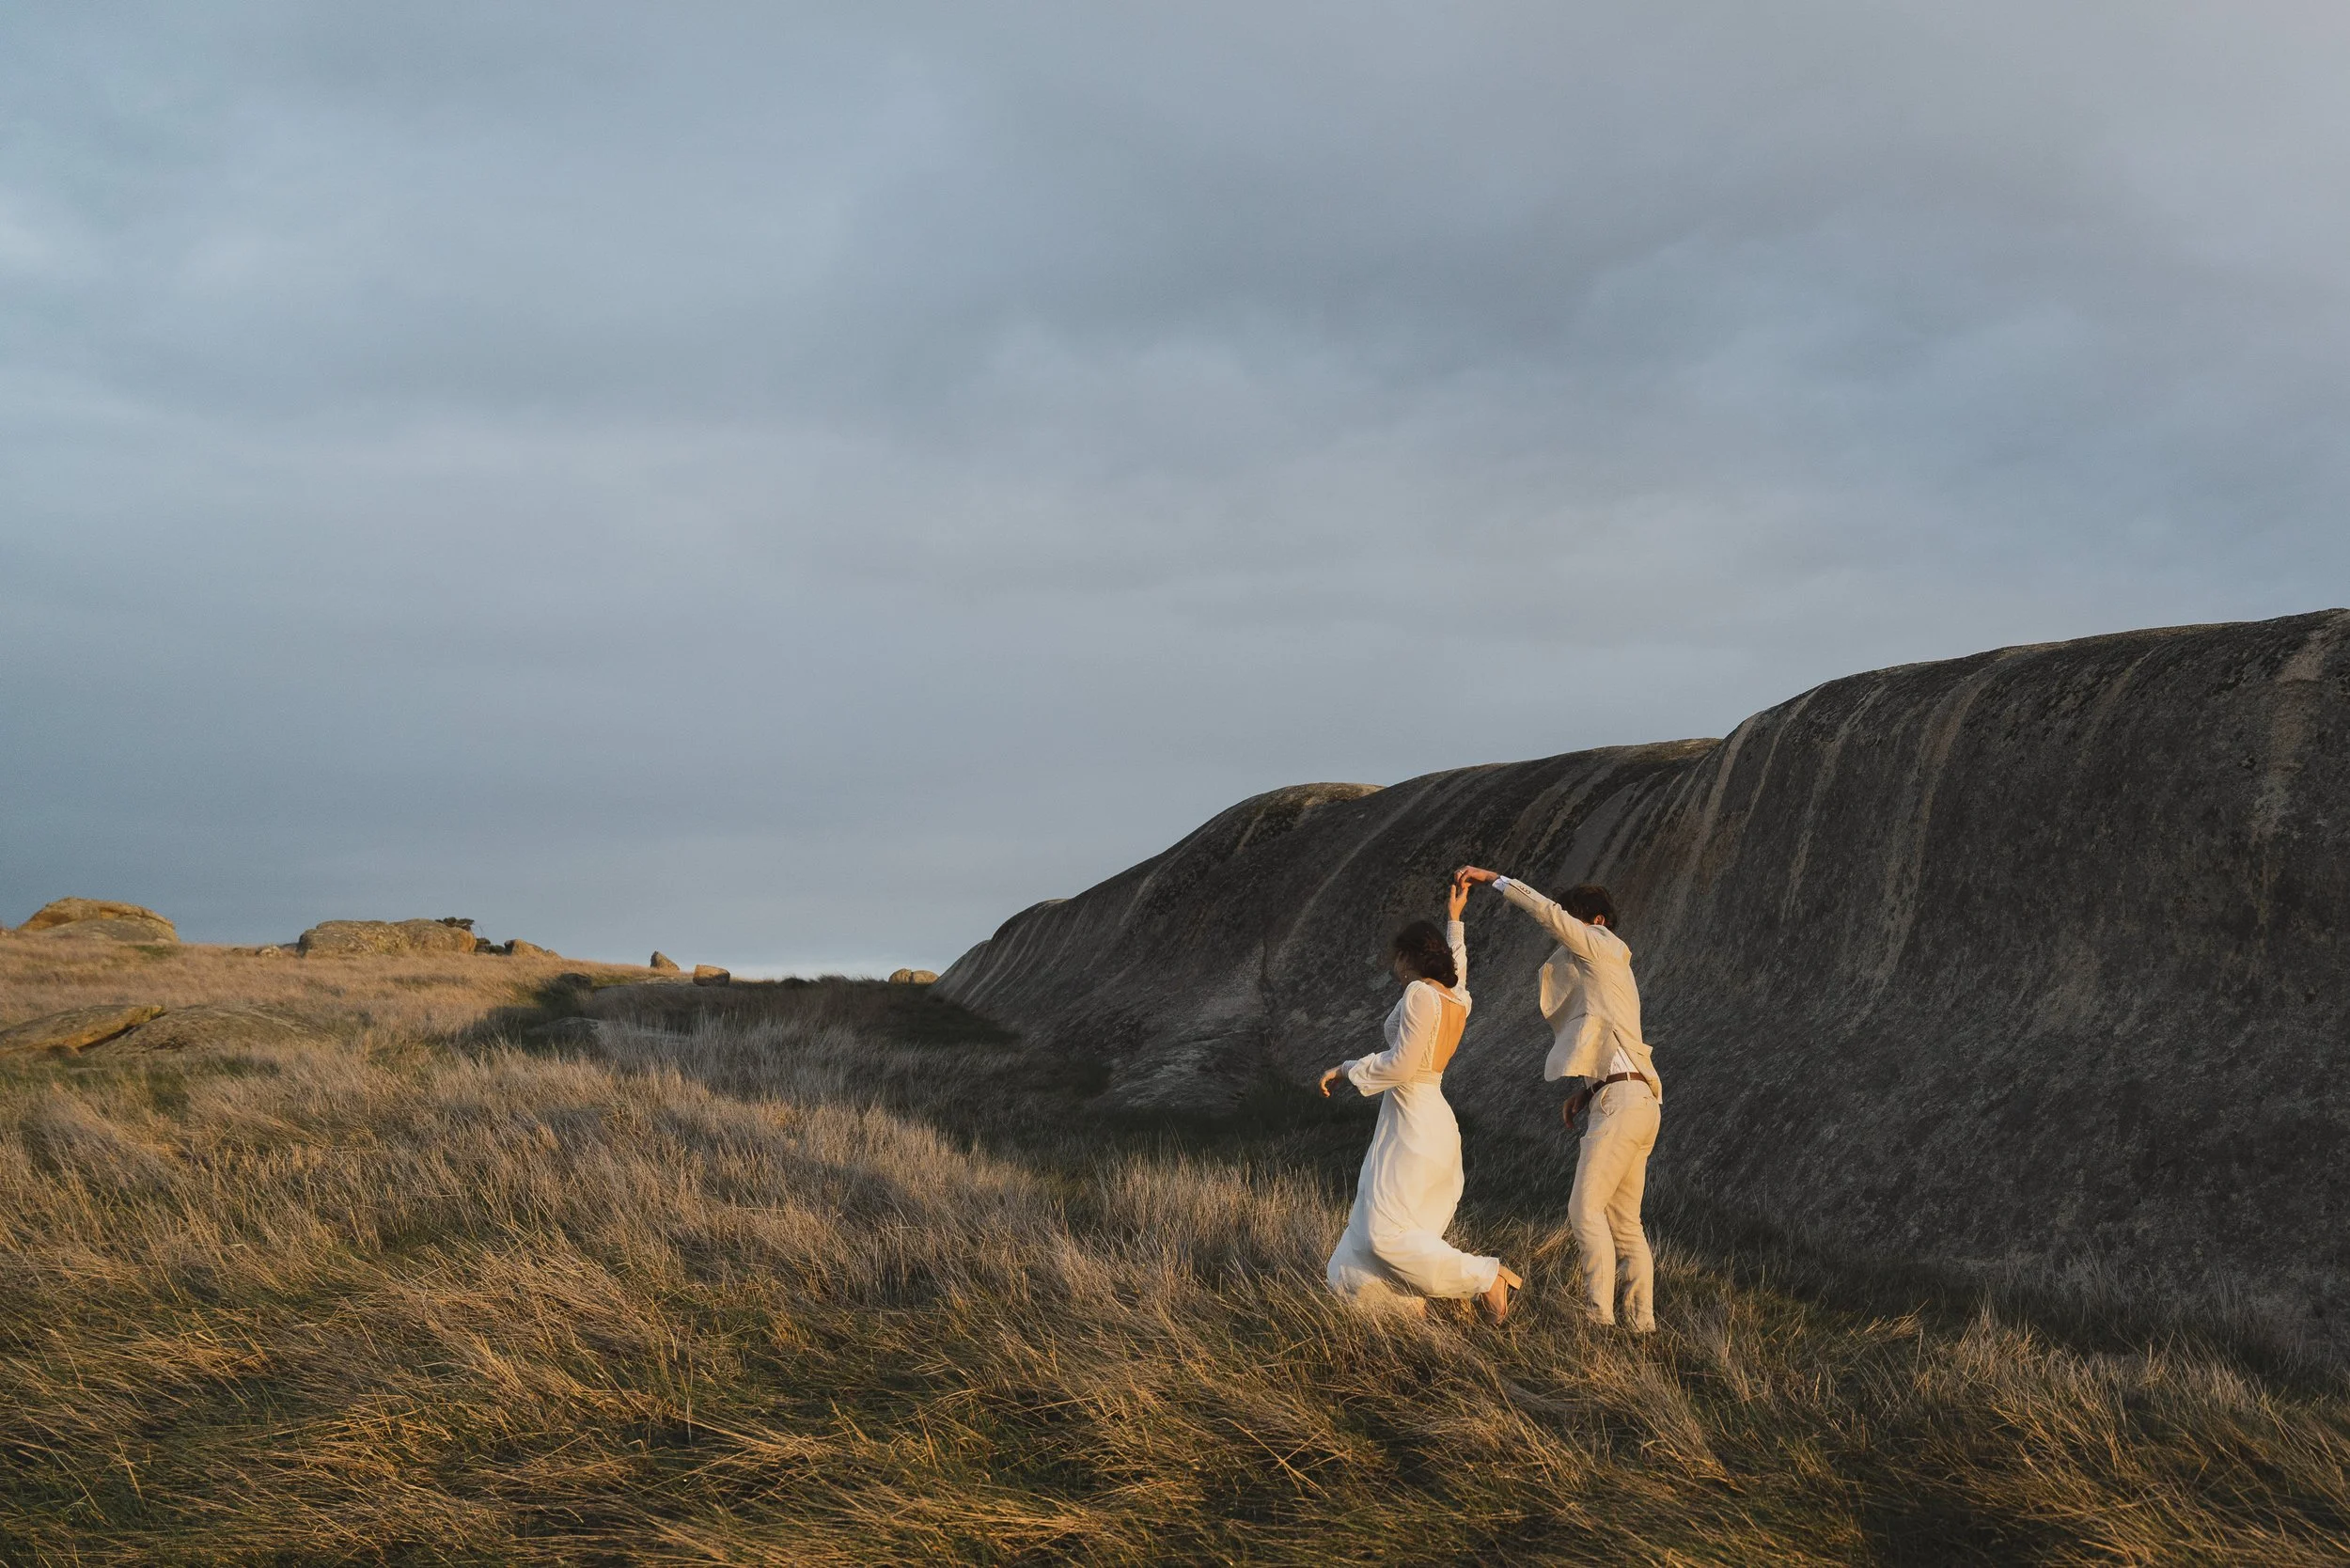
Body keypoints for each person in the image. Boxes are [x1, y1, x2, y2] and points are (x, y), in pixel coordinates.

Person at [1455, 867, 1661, 1333]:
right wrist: (1586, 1092)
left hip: (1622, 1104)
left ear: (1598, 922)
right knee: (1627, 1223)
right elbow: (1615, 1041)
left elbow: (1546, 913)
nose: (1567, 932)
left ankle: (1598, 1318)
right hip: (1637, 1099)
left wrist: (1493, 879)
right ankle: (1642, 1326)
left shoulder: (1600, 944)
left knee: (1584, 1210)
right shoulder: (1613, 969)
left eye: (1576, 920)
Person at [1318, 876, 1524, 1323]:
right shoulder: (1456, 999)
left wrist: (1347, 1069)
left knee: (1383, 1235)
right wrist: (1456, 922)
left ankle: (1486, 1278)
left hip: (1413, 1125)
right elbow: (1461, 974)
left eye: (1397, 956)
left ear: (1408, 957)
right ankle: (1400, 1311)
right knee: (1366, 1241)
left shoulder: (1418, 992)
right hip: (1425, 1123)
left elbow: (1402, 1066)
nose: (1394, 965)